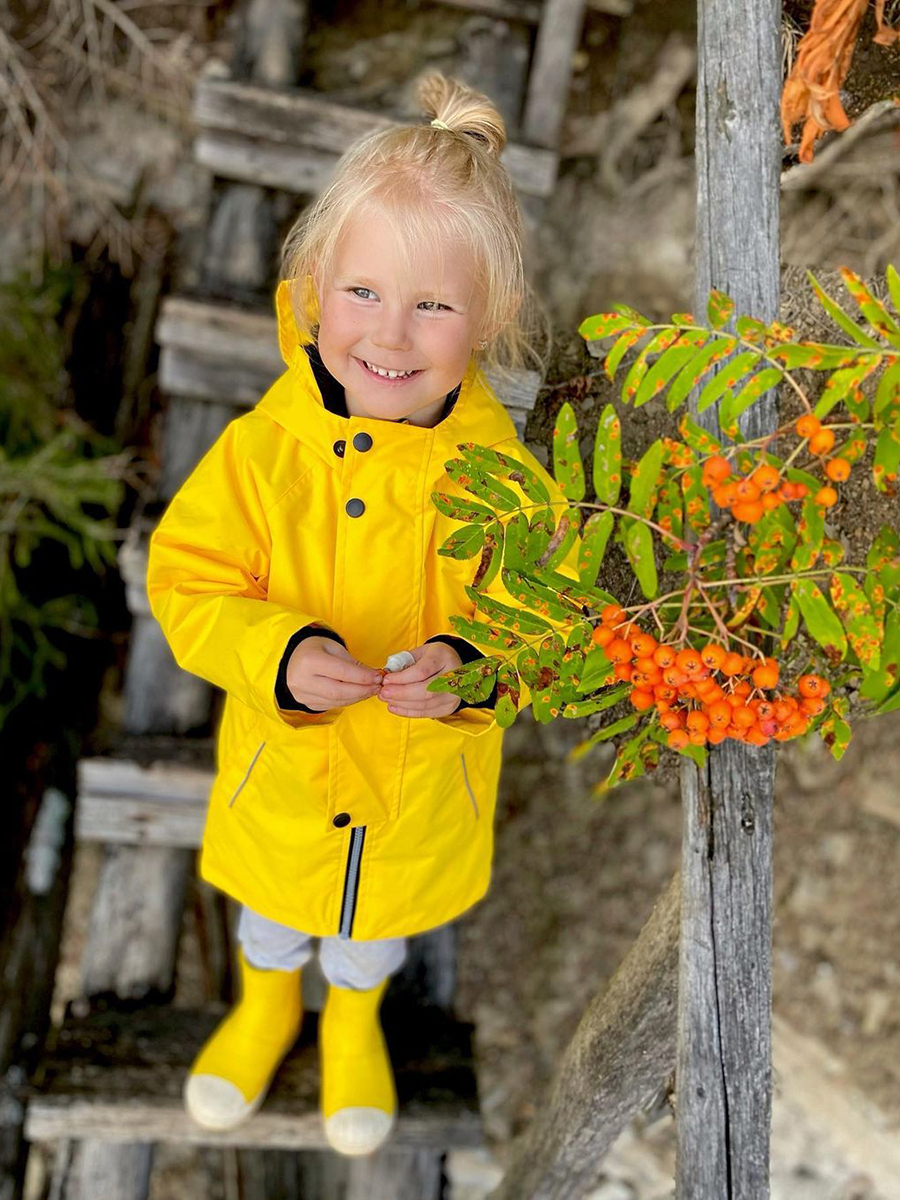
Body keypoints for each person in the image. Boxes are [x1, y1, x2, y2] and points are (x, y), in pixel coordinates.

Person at [146, 70, 583, 1157]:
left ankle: (351, 1021)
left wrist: (474, 666)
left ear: (492, 319)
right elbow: (190, 579)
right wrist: (278, 652)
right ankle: (263, 1008)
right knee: (274, 912)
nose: (391, 333)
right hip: (284, 774)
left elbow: (544, 618)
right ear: (313, 287)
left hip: (416, 792)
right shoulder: (264, 449)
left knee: (369, 933)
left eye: (434, 304)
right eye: (364, 294)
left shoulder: (507, 480)